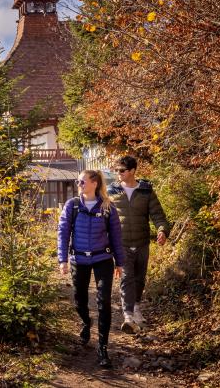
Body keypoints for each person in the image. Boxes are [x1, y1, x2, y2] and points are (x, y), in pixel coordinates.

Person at [58, 170, 125, 368]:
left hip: (103, 259)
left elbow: (116, 236)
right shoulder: (72, 205)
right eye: (78, 181)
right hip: (78, 259)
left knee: (104, 301)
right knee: (79, 299)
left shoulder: (107, 206)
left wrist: (120, 262)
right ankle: (86, 322)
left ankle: (102, 347)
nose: (78, 184)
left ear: (94, 183)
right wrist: (62, 260)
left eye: (82, 181)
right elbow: (63, 232)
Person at [108, 155, 170, 334]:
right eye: (116, 170)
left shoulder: (146, 191)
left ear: (132, 171)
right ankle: (128, 316)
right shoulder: (111, 191)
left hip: (142, 243)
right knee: (127, 278)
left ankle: (136, 307)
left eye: (122, 170)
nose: (118, 173)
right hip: (121, 244)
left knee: (139, 279)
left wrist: (162, 231)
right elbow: (104, 217)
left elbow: (158, 215)